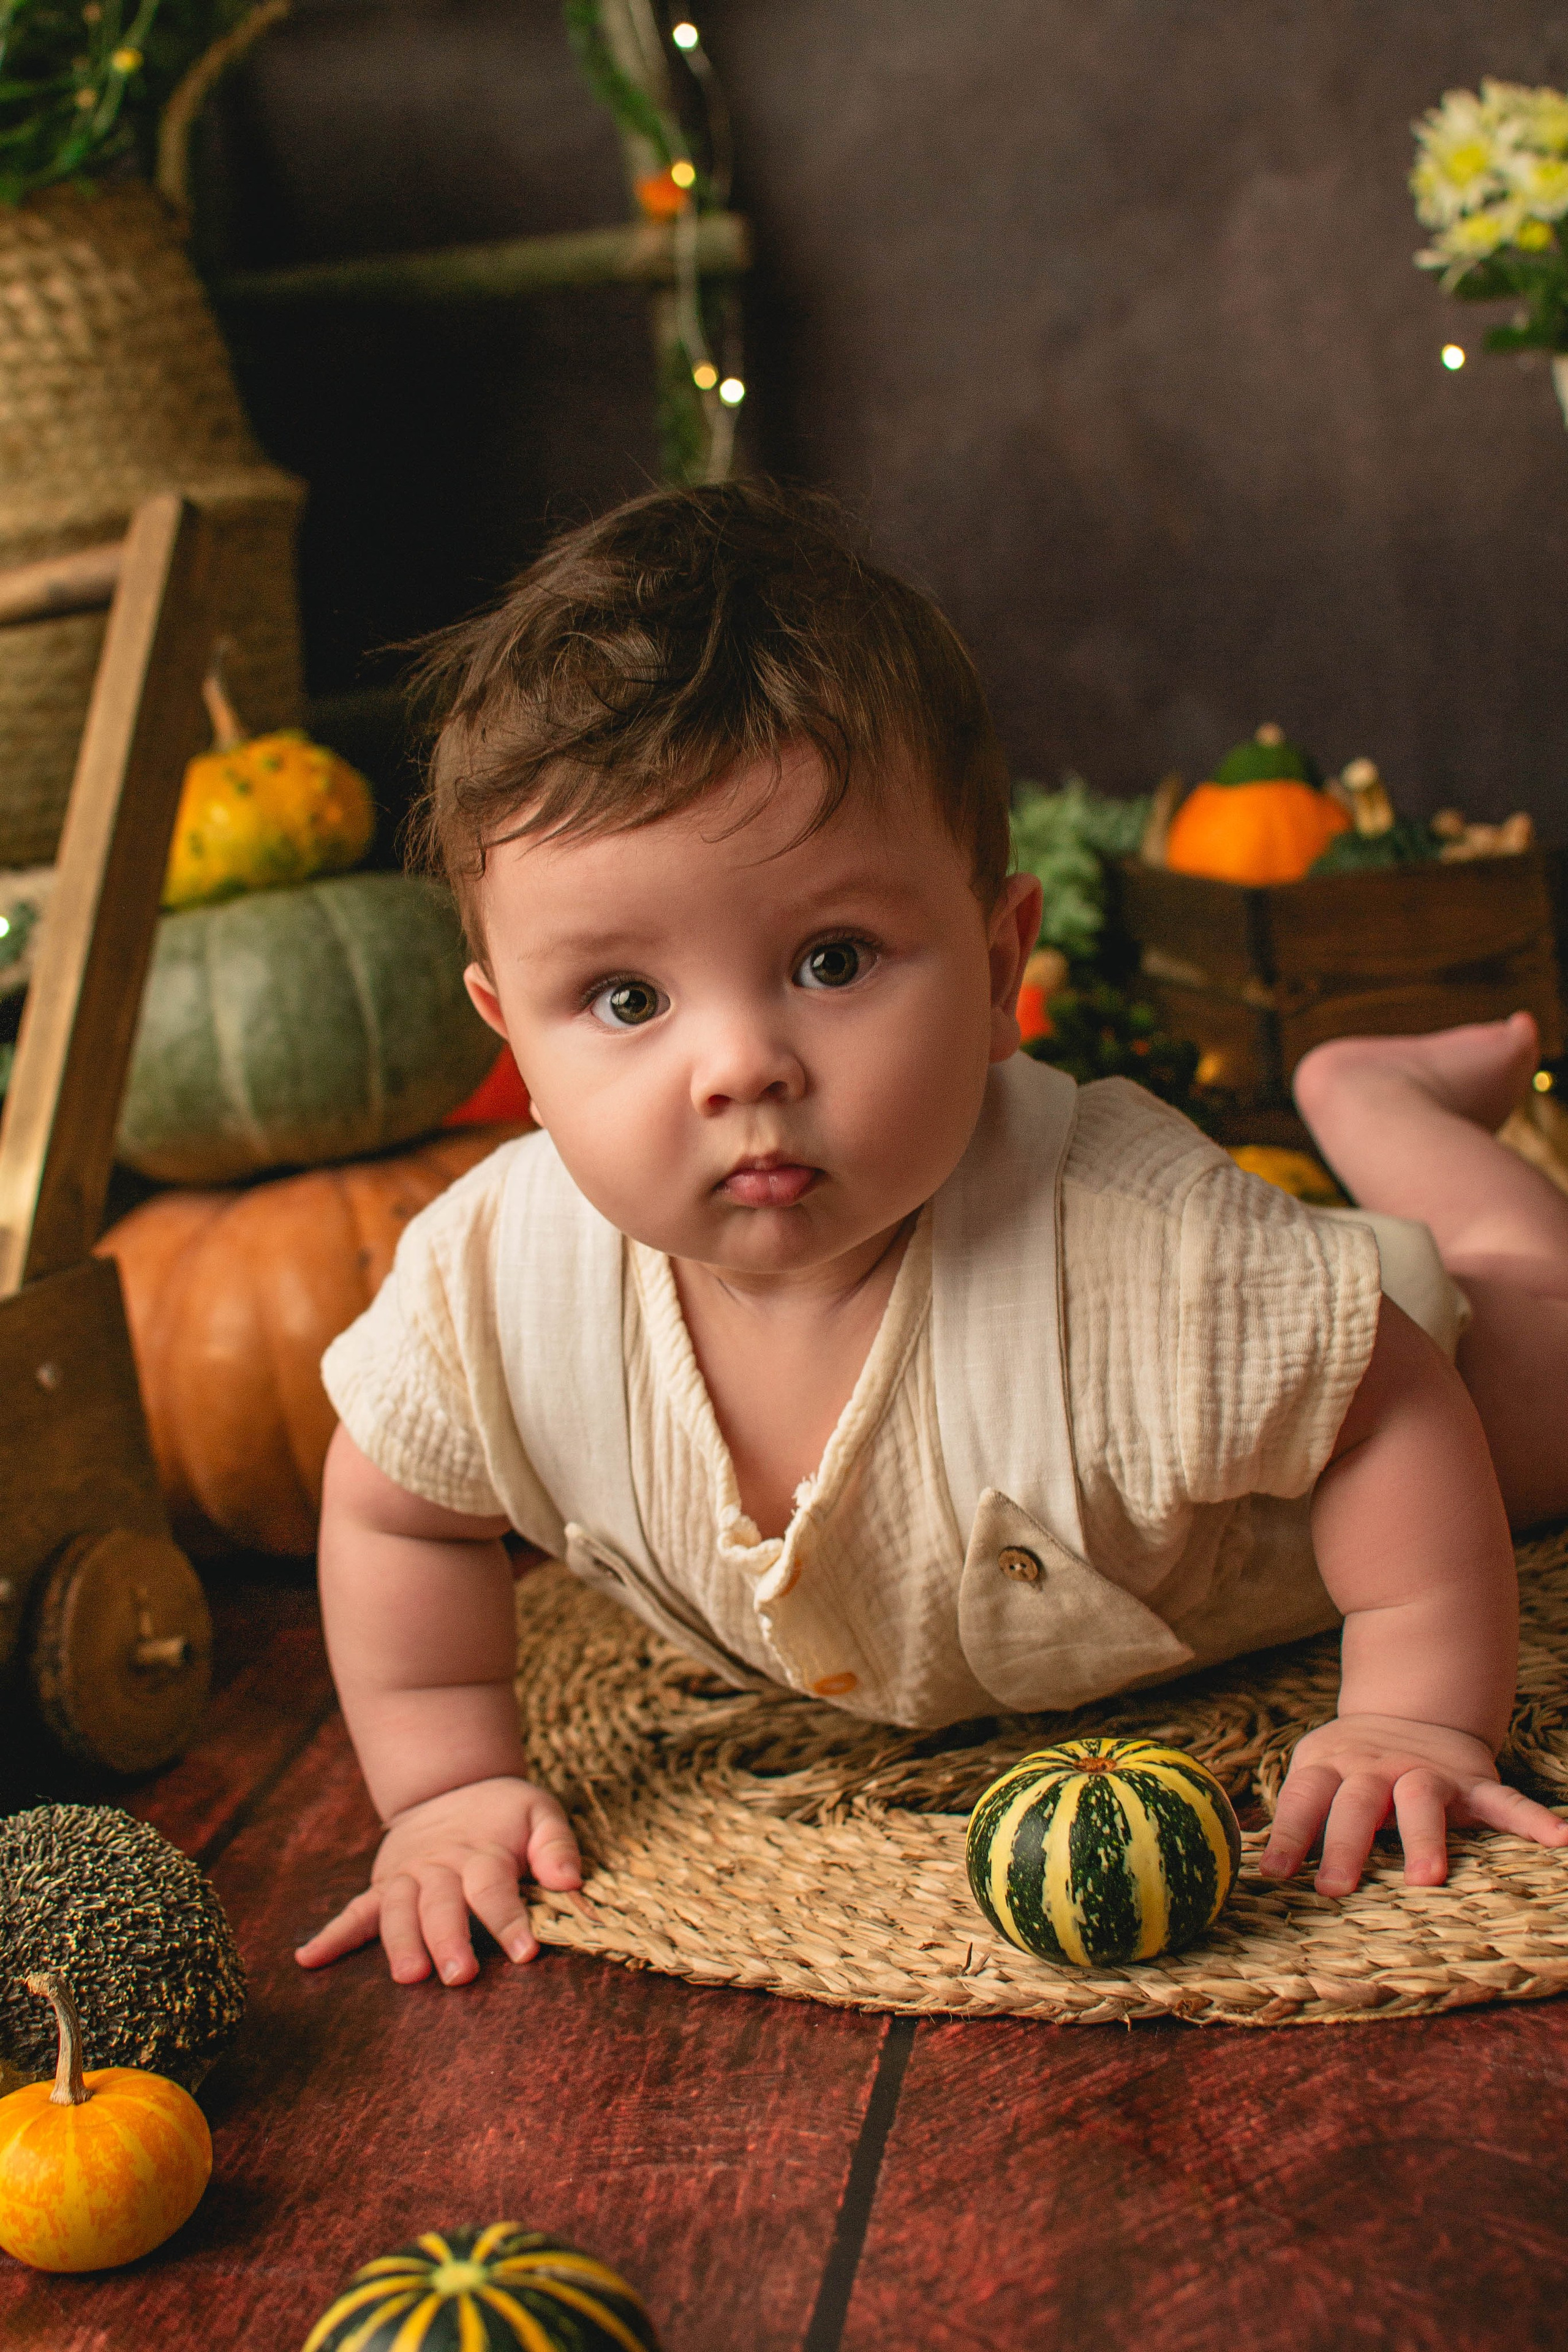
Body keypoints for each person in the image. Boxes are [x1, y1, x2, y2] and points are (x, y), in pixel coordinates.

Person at [296, 481, 1568, 1989]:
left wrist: (1415, 1711)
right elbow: (395, 1509)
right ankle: (1358, 1099)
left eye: (830, 961)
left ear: (993, 967)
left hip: (1344, 1451)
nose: (738, 1066)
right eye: (627, 1000)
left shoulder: (1136, 1250)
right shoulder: (492, 1288)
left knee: (1533, 1355)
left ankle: (1385, 1109)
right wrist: (441, 1784)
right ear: (510, 1035)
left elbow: (1386, 1408)